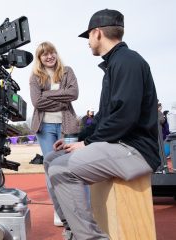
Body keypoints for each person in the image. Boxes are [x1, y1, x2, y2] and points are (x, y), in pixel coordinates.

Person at [44, 9, 160, 239]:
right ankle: (73, 230)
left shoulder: (127, 62)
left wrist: (88, 142)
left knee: (61, 169)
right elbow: (103, 117)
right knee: (51, 160)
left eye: (88, 36)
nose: (88, 42)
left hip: (135, 150)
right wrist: (77, 138)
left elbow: (125, 116)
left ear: (97, 33)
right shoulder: (115, 64)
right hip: (119, 145)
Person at [29, 41, 79, 226]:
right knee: (52, 169)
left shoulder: (67, 71)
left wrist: (47, 94)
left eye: (52, 53)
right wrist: (61, 98)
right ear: (39, 58)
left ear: (56, 54)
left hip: (66, 126)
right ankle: (59, 210)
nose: (49, 56)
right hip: (46, 127)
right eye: (44, 54)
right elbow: (37, 102)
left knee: (71, 167)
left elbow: (73, 94)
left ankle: (77, 209)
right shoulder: (35, 76)